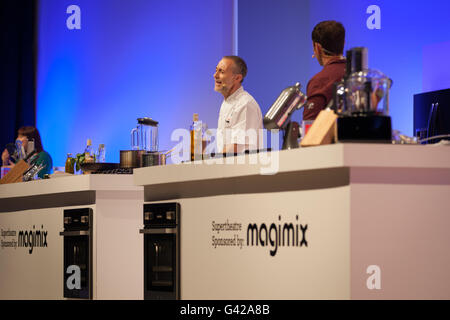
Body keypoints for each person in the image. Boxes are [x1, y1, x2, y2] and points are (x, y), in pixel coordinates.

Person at [214, 55, 263, 154]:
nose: (215, 75)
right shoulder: (226, 103)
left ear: (237, 78)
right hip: (228, 166)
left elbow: (237, 146)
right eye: (216, 70)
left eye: (221, 72)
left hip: (245, 168)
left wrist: (211, 162)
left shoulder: (245, 103)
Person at [304, 20, 346, 121]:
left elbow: (310, 125)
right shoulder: (360, 76)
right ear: (343, 44)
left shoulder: (319, 81)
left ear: (317, 48)